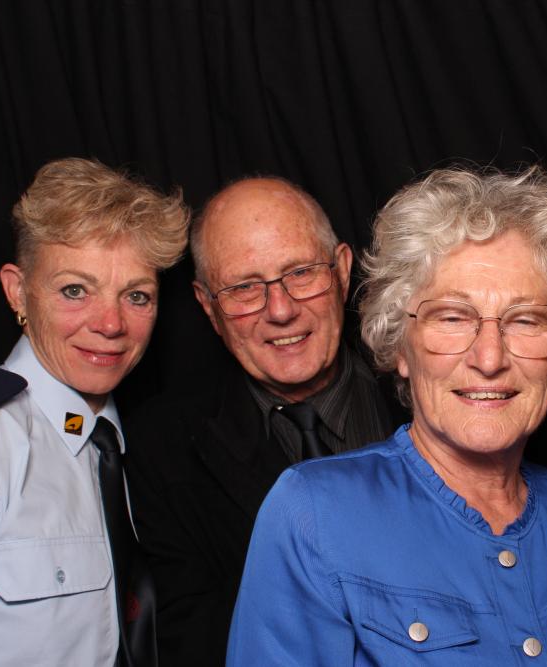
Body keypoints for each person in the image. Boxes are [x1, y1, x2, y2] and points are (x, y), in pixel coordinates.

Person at [227, 166, 547, 665]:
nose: (489, 358)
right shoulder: (315, 512)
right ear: (401, 345)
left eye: (526, 320)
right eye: (452, 317)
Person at [123, 177, 396, 665]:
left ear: (342, 271)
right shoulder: (160, 446)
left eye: (301, 272)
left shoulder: (429, 397)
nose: (281, 310)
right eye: (244, 288)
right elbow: (191, 640)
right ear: (208, 305)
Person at [0, 157, 189, 666]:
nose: (111, 324)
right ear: (17, 291)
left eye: (137, 296)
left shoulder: (131, 446)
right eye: (75, 290)